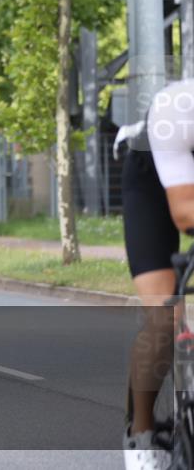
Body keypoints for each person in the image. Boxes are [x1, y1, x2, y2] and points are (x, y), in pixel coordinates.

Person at [121, 79, 194, 470]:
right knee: (164, 318)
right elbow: (185, 214)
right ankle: (142, 432)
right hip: (153, 182)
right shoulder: (178, 107)